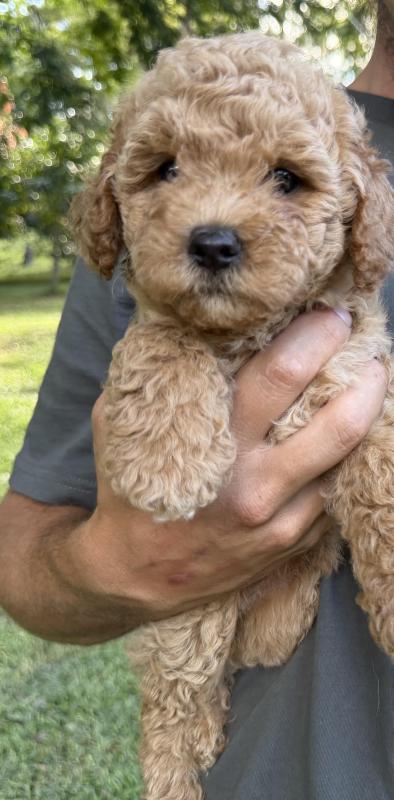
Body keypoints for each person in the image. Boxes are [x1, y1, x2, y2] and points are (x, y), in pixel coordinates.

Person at [0, 2, 393, 797]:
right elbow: (22, 559)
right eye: (166, 171)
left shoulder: (355, 248)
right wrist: (116, 564)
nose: (214, 225)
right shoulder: (139, 279)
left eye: (286, 180)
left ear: (362, 212)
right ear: (116, 197)